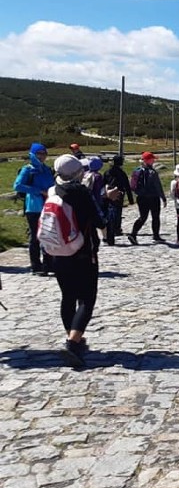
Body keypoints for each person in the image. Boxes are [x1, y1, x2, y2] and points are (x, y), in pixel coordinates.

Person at [48, 154, 108, 367]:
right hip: (83, 252)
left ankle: (74, 335)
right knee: (86, 300)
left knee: (67, 296)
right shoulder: (81, 193)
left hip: (57, 253)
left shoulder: (52, 191)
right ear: (77, 173)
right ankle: (72, 343)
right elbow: (100, 220)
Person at [13, 142, 55, 275]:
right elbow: (18, 185)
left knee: (48, 235)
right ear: (33, 154)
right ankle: (36, 265)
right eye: (39, 153)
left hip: (48, 205)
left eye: (44, 153)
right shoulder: (27, 169)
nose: (42, 156)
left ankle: (49, 264)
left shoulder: (47, 169)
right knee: (35, 237)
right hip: (33, 207)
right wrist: (38, 191)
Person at [127, 151, 167, 245]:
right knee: (155, 217)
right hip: (153, 197)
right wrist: (163, 198)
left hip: (141, 198)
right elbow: (158, 186)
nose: (154, 161)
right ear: (149, 160)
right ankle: (156, 235)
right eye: (152, 159)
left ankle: (133, 234)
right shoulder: (153, 172)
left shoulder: (137, 170)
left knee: (143, 217)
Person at [102, 155, 133, 245]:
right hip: (119, 194)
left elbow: (103, 183)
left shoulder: (108, 172)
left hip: (108, 193)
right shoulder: (121, 173)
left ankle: (111, 228)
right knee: (118, 211)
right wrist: (131, 199)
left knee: (109, 211)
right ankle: (117, 228)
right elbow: (127, 186)